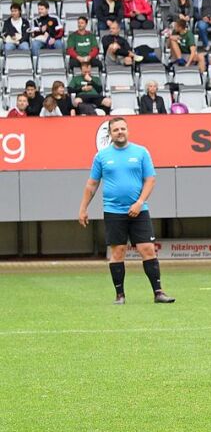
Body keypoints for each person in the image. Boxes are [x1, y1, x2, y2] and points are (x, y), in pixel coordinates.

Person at [78, 118, 174, 304]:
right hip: (113, 211)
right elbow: (92, 184)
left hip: (139, 210)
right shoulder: (102, 156)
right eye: (116, 130)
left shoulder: (141, 152)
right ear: (110, 134)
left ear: (128, 131)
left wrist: (139, 202)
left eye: (123, 128)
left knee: (147, 249)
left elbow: (150, 179)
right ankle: (120, 295)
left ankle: (158, 292)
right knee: (118, 252)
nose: (120, 132)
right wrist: (83, 208)